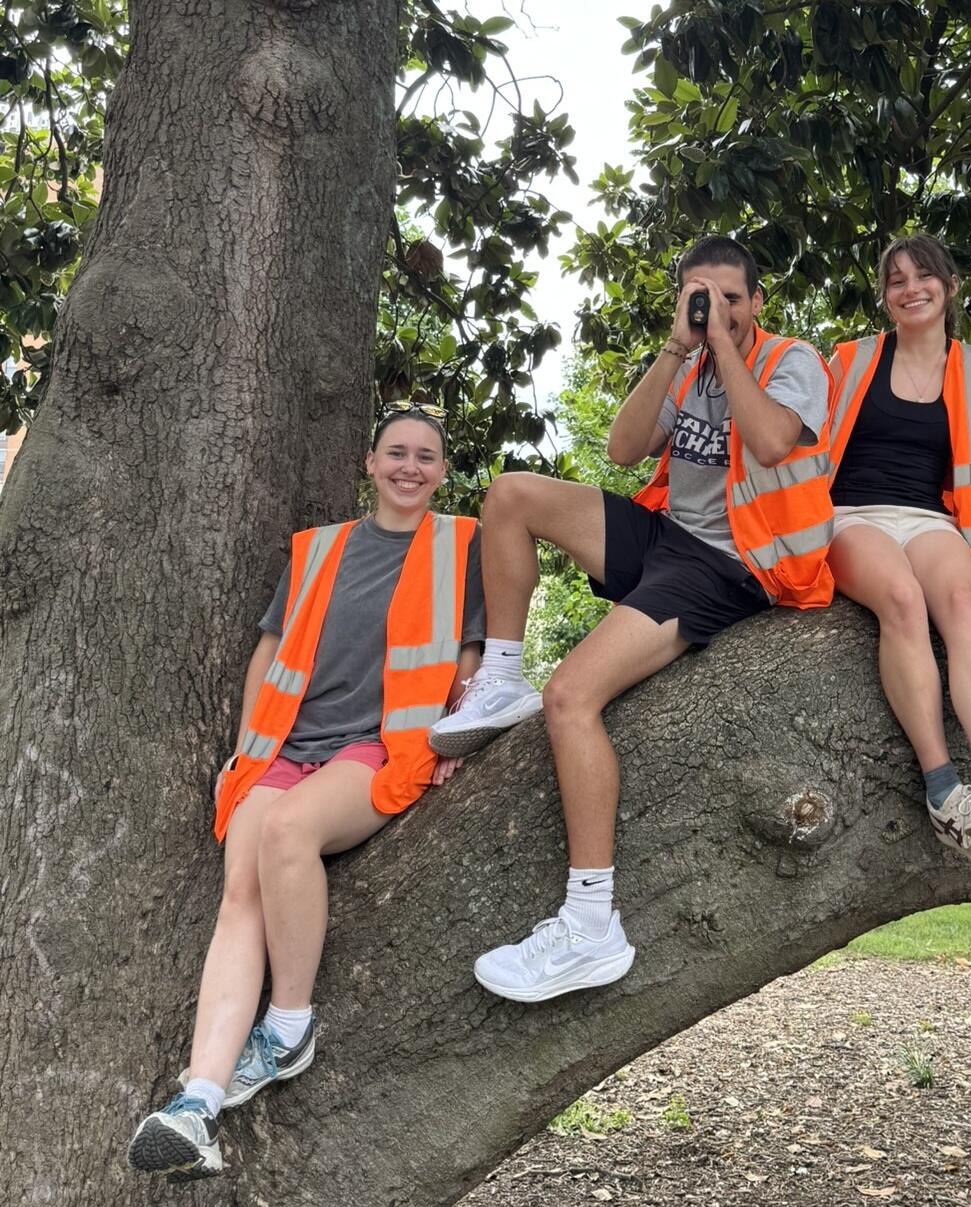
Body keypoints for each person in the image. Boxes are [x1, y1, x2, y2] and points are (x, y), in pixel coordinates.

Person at [427, 235, 833, 1001]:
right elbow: (621, 448)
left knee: (572, 697)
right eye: (700, 297)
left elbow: (776, 442)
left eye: (731, 298)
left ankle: (590, 924)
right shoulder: (690, 363)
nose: (717, 312)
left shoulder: (793, 360)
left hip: (731, 564)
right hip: (665, 537)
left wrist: (726, 348)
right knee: (511, 493)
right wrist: (680, 349)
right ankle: (502, 676)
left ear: (757, 302)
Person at [127, 404, 483, 1181]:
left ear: (443, 470)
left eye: (426, 456)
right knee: (241, 889)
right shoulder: (319, 549)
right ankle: (198, 1102)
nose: (410, 467)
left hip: (380, 746)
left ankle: (288, 1027)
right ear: (370, 461)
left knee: (287, 833)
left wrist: (459, 731)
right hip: (285, 744)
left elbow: (471, 657)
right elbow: (269, 651)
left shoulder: (463, 545)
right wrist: (250, 745)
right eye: (397, 452)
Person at [825, 233, 971, 866]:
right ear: (885, 297)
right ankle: (943, 790)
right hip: (848, 514)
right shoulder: (849, 359)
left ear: (950, 286)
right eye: (896, 280)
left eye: (924, 277)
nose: (911, 288)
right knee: (902, 599)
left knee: (963, 605)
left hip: (928, 517)